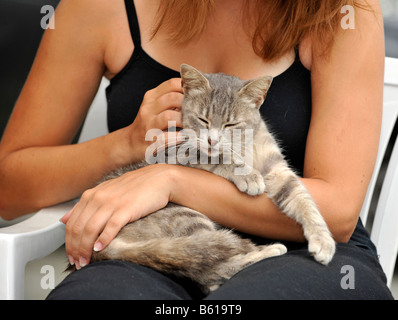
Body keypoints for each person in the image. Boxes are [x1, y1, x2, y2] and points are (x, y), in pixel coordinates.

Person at [0, 0, 393, 299]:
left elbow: (338, 214)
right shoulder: (101, 8)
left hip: (304, 249)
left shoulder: (339, 11)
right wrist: (126, 145)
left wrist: (171, 179)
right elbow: (9, 186)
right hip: (154, 240)